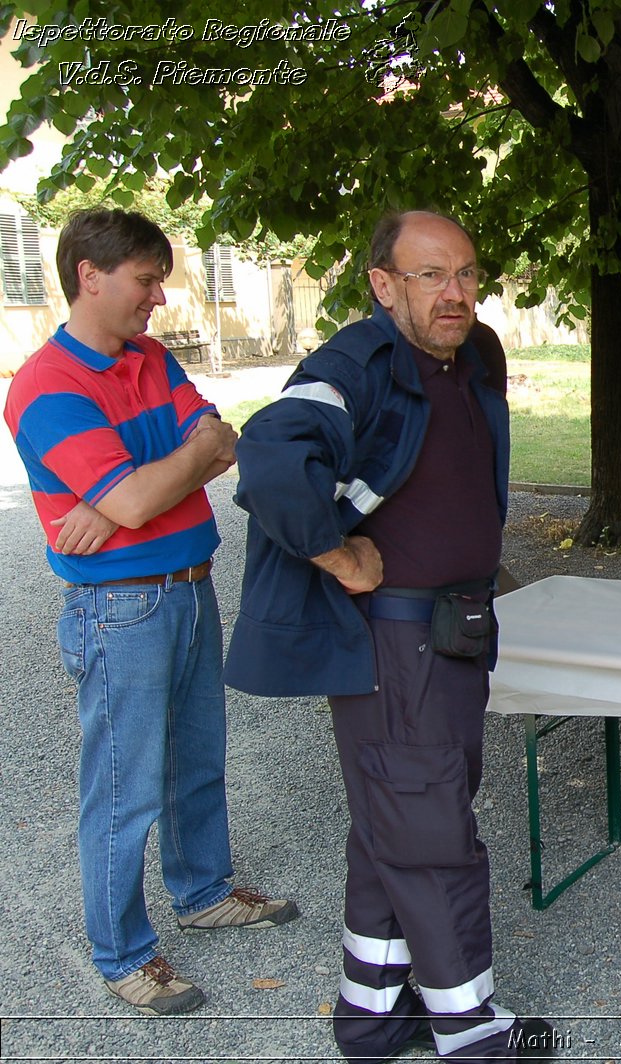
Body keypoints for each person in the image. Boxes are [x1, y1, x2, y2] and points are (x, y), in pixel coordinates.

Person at [225, 211, 553, 1061]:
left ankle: (371, 1014)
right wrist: (337, 553)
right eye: (431, 275)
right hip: (397, 645)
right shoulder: (356, 365)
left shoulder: (472, 354)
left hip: (456, 634)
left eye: (469, 274)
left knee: (396, 820)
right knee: (430, 829)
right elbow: (268, 456)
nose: (457, 293)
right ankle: (471, 1030)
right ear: (383, 284)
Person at [3, 209, 297, 1016]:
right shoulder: (44, 387)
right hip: (119, 607)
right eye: (145, 279)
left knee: (198, 758)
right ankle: (124, 953)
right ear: (88, 276)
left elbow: (220, 441)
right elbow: (157, 478)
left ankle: (201, 892)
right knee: (127, 787)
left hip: (191, 583)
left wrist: (140, 492)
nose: (158, 297)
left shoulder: (150, 357)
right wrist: (154, 481)